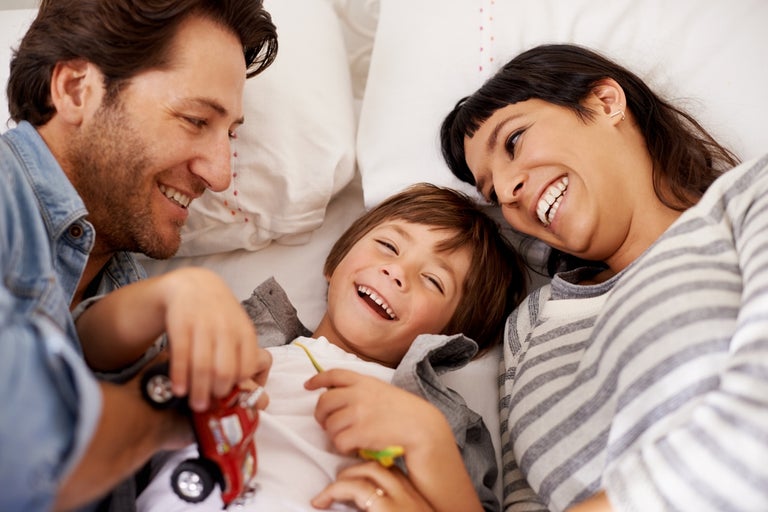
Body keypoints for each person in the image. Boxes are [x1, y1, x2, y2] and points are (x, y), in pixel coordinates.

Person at [440, 43, 768, 512]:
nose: (508, 191)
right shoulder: (530, 325)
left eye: (513, 142)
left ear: (605, 102)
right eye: (492, 190)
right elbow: (523, 502)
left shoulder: (751, 197)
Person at [0, 1, 278, 511]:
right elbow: (18, 454)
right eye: (196, 120)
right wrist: (161, 418)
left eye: (230, 134)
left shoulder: (148, 313)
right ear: (75, 90)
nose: (221, 175)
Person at [136, 183, 529, 512]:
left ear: (450, 336)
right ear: (335, 262)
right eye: (389, 246)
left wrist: (434, 446)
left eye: (433, 280)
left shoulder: (441, 422)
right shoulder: (240, 336)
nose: (396, 271)